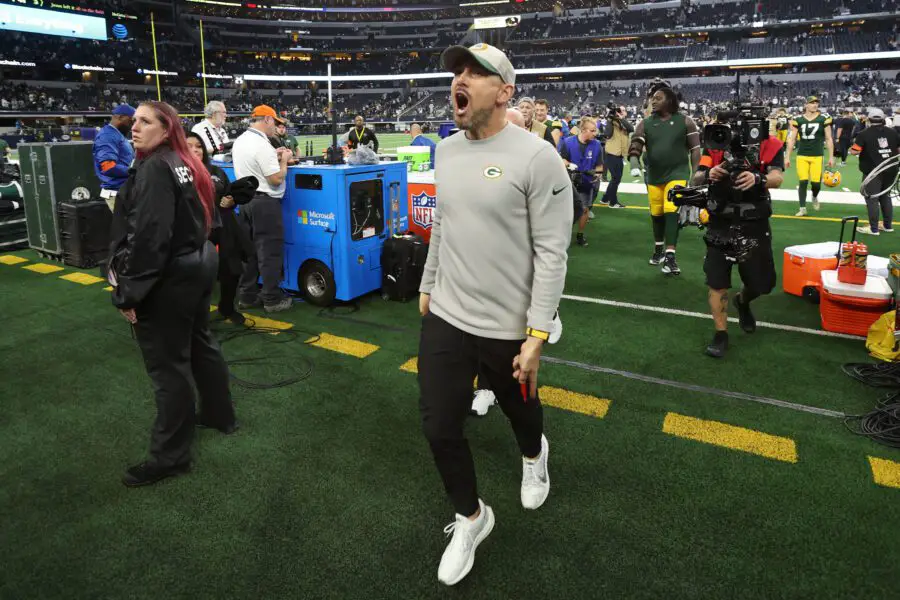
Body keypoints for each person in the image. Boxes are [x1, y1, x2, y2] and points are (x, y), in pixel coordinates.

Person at [419, 43, 572, 586]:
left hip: (510, 325)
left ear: (505, 92)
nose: (460, 80)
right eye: (457, 72)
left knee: (518, 410)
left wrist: (536, 335)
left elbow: (554, 251)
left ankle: (535, 454)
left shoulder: (537, 157)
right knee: (438, 424)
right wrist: (428, 282)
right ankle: (471, 518)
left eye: (475, 73)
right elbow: (444, 222)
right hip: (448, 315)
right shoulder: (447, 150)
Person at [107, 101, 236, 487]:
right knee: (200, 344)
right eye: (134, 122)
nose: (135, 128)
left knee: (169, 367)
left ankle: (171, 457)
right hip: (196, 265)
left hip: (172, 274)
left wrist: (128, 293)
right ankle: (219, 414)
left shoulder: (156, 168)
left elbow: (149, 239)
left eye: (146, 122)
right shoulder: (182, 161)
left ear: (166, 130)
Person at [690, 112, 785, 358]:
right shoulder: (715, 141)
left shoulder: (771, 143)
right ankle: (721, 333)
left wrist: (758, 178)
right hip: (721, 220)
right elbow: (697, 176)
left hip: (754, 220)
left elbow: (778, 176)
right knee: (716, 280)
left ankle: (742, 301)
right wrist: (710, 174)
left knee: (761, 284)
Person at [628, 85, 702, 276]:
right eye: (652, 98)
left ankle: (670, 256)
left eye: (658, 98)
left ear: (669, 100)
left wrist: (695, 173)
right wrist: (634, 161)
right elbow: (636, 144)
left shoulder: (685, 121)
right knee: (657, 212)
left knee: (671, 209)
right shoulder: (645, 123)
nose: (653, 101)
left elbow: (695, 149)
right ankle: (658, 248)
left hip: (677, 172)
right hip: (654, 174)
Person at [186, 132, 256, 323]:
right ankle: (196, 315)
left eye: (198, 146)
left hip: (224, 225)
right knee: (197, 274)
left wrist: (231, 200)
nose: (195, 150)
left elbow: (229, 194)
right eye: (189, 145)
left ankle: (227, 308)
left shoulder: (216, 171)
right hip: (196, 229)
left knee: (231, 269)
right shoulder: (178, 172)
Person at [232, 105, 293, 313]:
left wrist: (273, 155)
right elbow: (275, 179)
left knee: (250, 253)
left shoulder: (241, 140)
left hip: (246, 202)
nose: (276, 128)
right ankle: (272, 299)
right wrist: (283, 160)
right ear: (266, 119)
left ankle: (247, 296)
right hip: (264, 203)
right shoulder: (261, 144)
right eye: (275, 123)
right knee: (269, 253)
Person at [851, 108, 900, 235]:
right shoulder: (893, 132)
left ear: (869, 118)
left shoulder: (864, 133)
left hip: (873, 171)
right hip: (891, 169)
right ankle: (888, 226)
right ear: (883, 119)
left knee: (872, 198)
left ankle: (873, 228)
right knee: (885, 196)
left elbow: (855, 150)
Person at [786, 96, 834, 216]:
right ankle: (802, 208)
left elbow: (828, 138)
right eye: (812, 103)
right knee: (803, 181)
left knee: (816, 184)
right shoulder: (798, 119)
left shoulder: (824, 118)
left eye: (816, 103)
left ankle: (814, 195)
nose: (815, 105)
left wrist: (831, 156)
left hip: (817, 155)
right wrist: (787, 157)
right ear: (806, 105)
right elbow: (792, 139)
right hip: (802, 154)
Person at [560, 116, 603, 247]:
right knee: (566, 210)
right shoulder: (568, 142)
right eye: (593, 130)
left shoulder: (597, 145)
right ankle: (563, 234)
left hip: (587, 182)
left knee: (584, 210)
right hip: (570, 181)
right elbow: (561, 159)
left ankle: (580, 234)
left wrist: (598, 175)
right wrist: (569, 164)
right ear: (583, 130)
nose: (595, 133)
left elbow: (599, 165)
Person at [93, 104, 135, 212]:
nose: (133, 125)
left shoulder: (117, 134)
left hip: (124, 191)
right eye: (131, 120)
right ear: (120, 117)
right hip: (116, 193)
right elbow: (107, 166)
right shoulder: (107, 135)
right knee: (128, 228)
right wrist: (135, 170)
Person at [599, 104, 631, 209]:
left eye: (622, 111)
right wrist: (610, 119)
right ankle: (613, 202)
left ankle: (605, 199)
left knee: (615, 178)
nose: (620, 112)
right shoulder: (611, 122)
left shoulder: (624, 123)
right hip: (612, 154)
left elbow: (630, 128)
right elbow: (607, 133)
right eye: (619, 111)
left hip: (619, 154)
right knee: (616, 178)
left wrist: (621, 119)